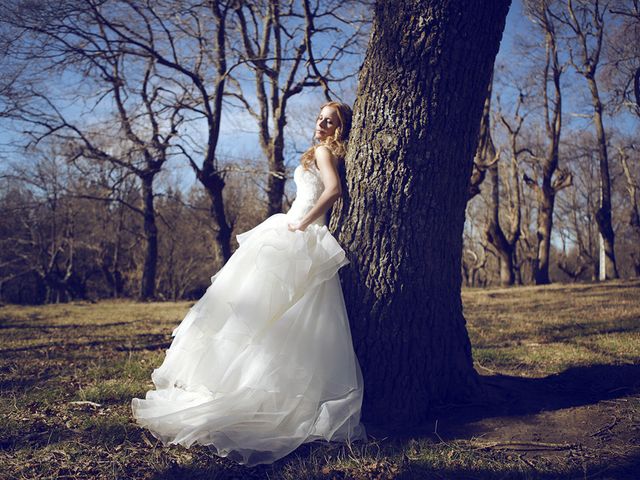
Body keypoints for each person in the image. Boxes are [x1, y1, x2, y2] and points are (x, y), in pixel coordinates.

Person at [131, 101, 366, 467]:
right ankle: (255, 385)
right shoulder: (321, 151)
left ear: (340, 128)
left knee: (281, 317)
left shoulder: (323, 152)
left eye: (330, 121)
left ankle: (260, 390)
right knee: (270, 316)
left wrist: (302, 225)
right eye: (320, 117)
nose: (321, 123)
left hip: (300, 234)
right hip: (292, 229)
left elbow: (333, 190)